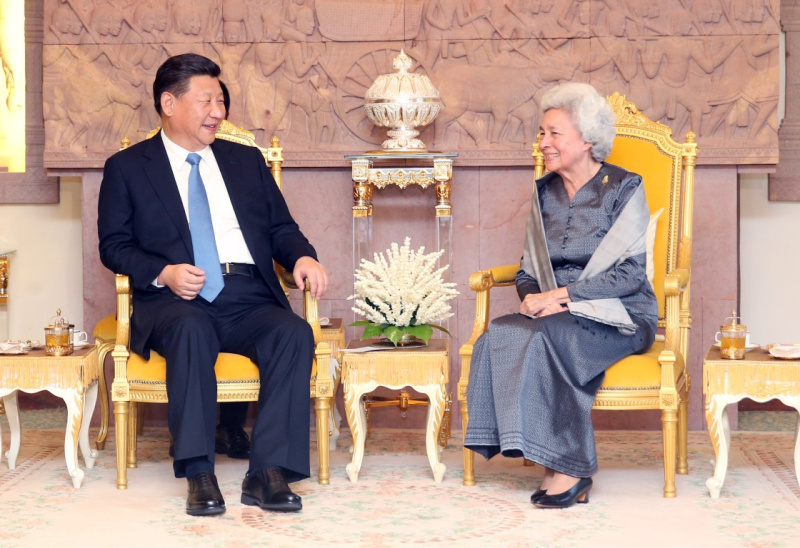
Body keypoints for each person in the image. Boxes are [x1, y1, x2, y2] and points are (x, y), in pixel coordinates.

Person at [98, 53, 329, 517]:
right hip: (174, 297)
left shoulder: (246, 160)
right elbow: (114, 246)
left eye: (221, 102)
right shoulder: (128, 166)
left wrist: (302, 256)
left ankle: (268, 473)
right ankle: (199, 472)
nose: (217, 112)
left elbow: (280, 228)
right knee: (191, 329)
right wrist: (164, 272)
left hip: (246, 293)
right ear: (169, 103)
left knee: (292, 332)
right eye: (206, 101)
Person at [464, 83, 657, 509]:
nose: (543, 143)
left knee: (546, 337)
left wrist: (562, 296)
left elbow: (631, 274)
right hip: (555, 311)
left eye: (554, 133)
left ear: (587, 139)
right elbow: (527, 269)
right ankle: (549, 458)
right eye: (542, 133)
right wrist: (533, 297)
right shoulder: (544, 192)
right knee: (500, 333)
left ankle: (572, 467)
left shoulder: (624, 187)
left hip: (621, 312)